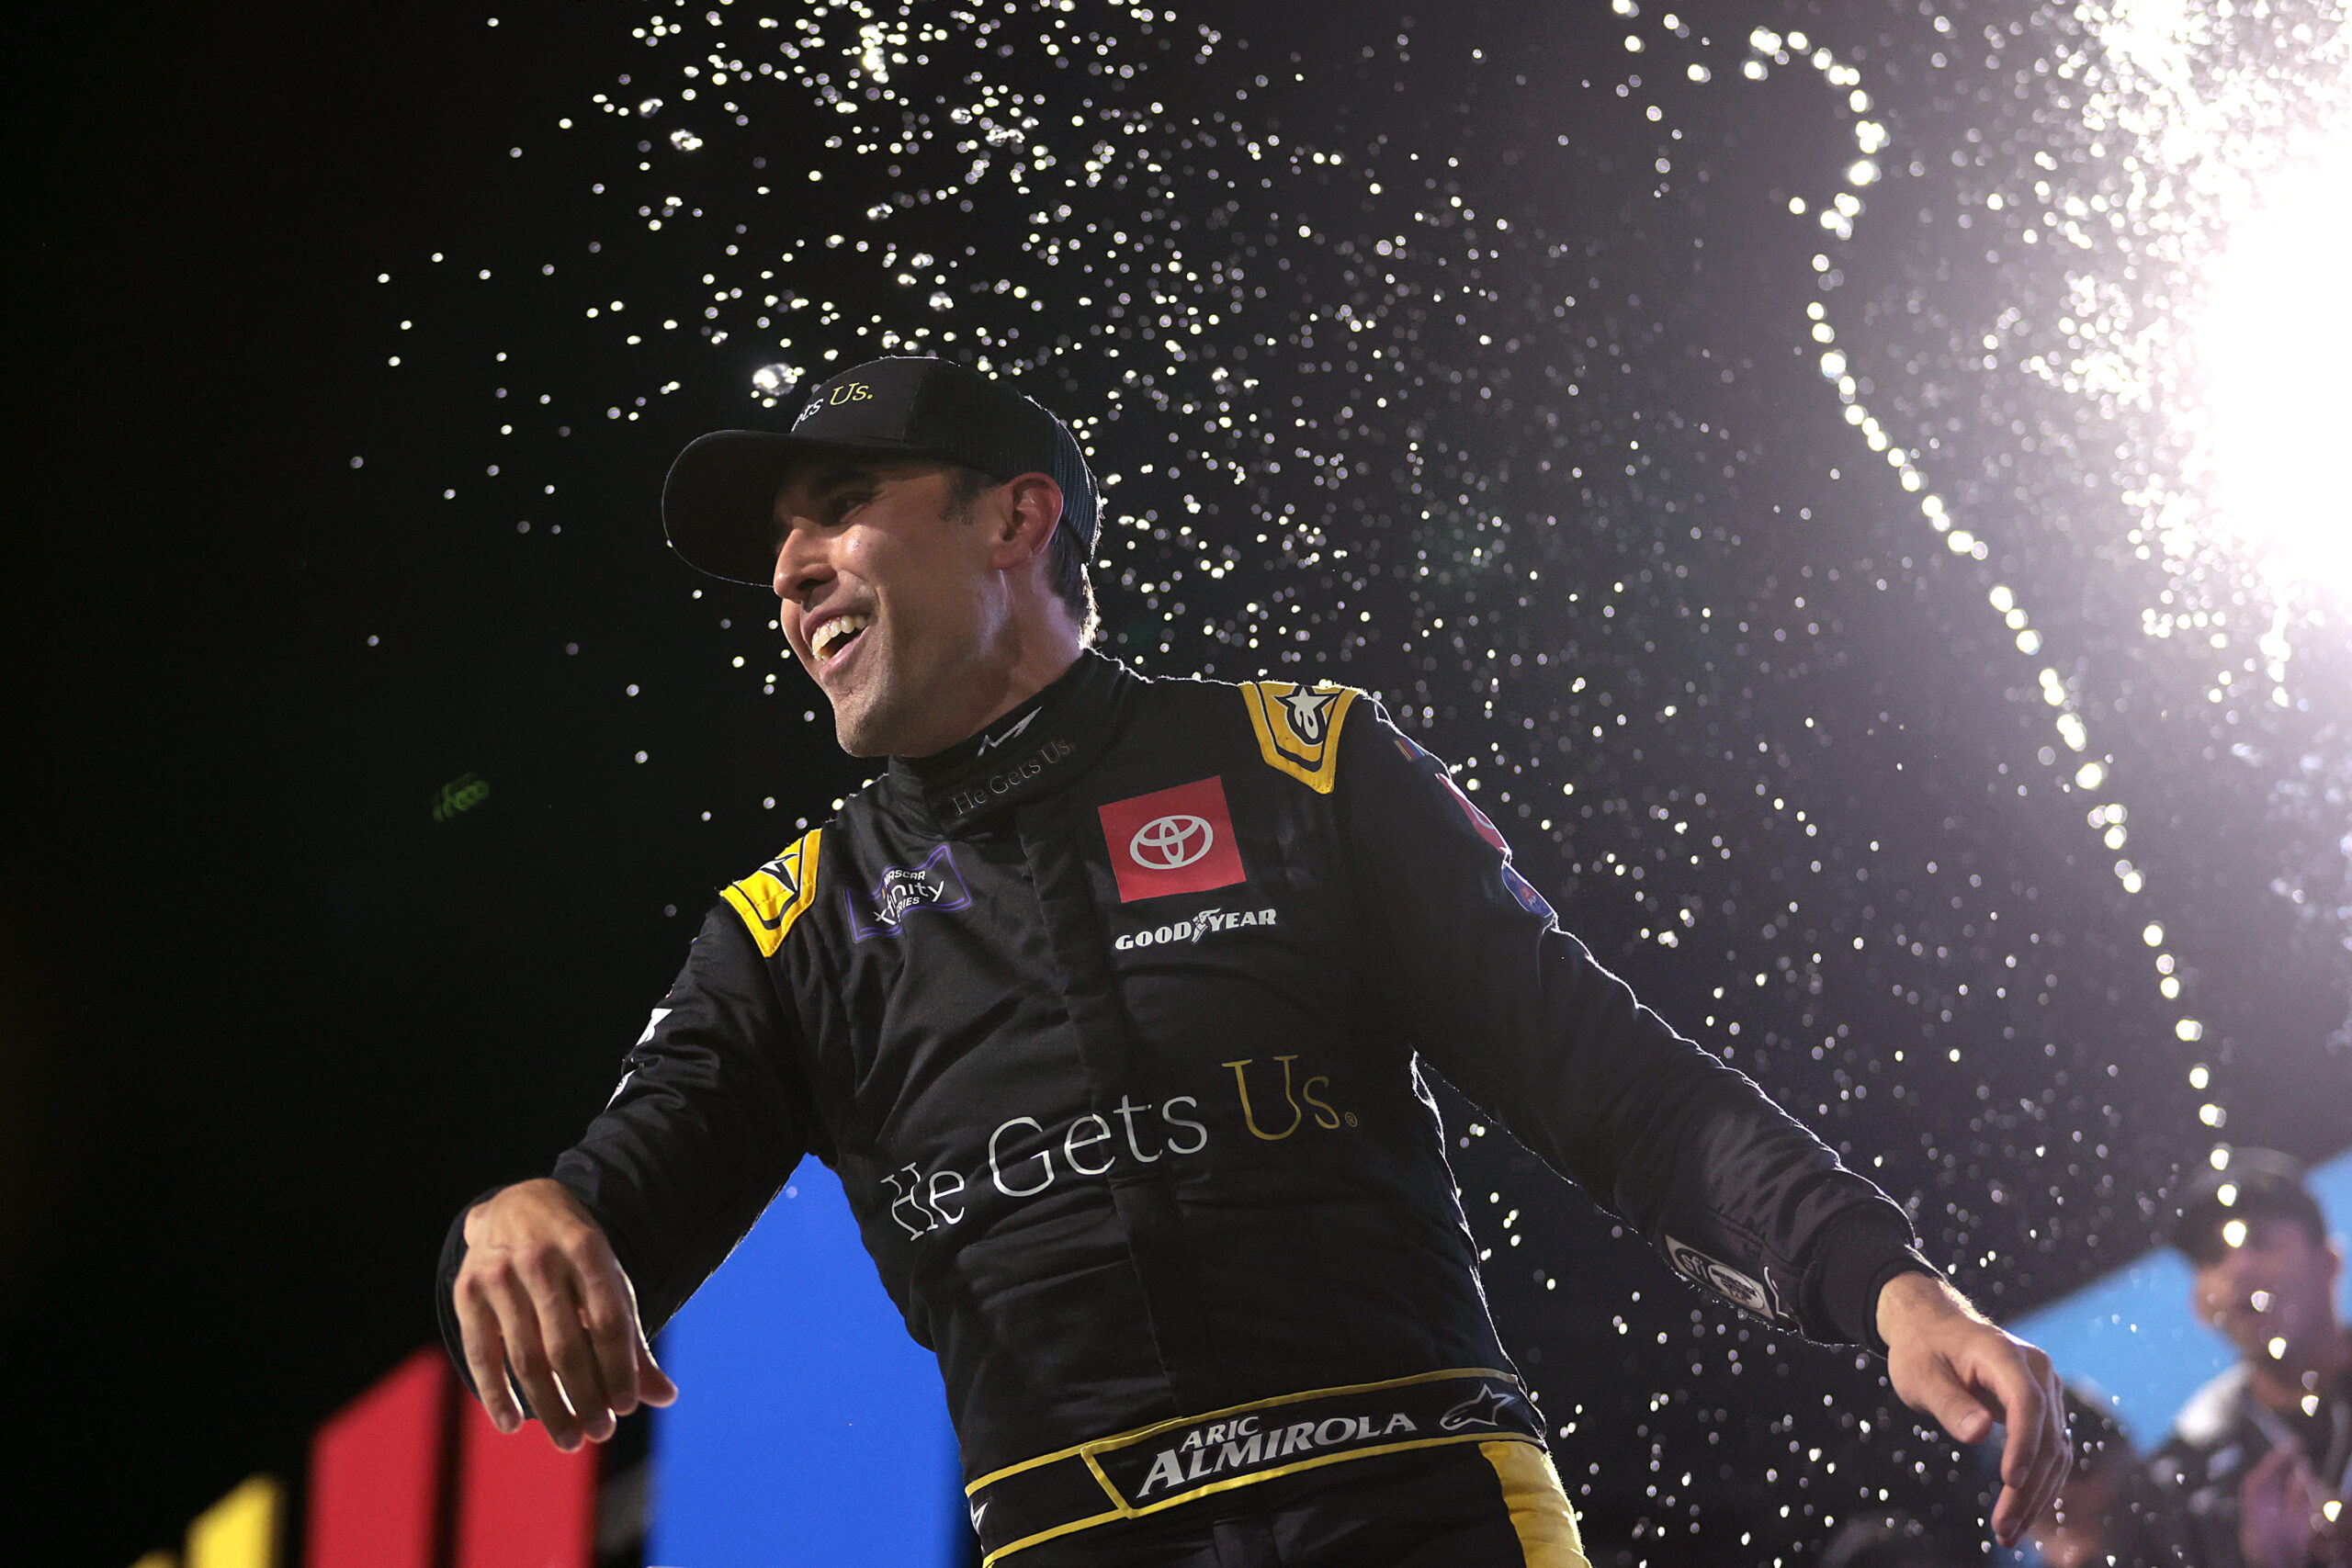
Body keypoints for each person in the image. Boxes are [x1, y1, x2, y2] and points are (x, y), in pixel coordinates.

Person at [435, 355, 2067, 1565]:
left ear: (1017, 519)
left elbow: (1617, 1088)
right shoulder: (791, 926)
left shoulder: (1305, 765)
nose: (790, 573)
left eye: (841, 510)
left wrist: (1885, 1281)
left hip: (1428, 1516)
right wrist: (523, 1215)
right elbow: (612, 1204)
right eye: (782, 544)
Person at [2149, 1149, 2350, 1568]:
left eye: (2259, 1240)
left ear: (2328, 1262)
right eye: (2213, 1255)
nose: (2239, 1268)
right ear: (2201, 1305)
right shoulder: (2181, 1480)